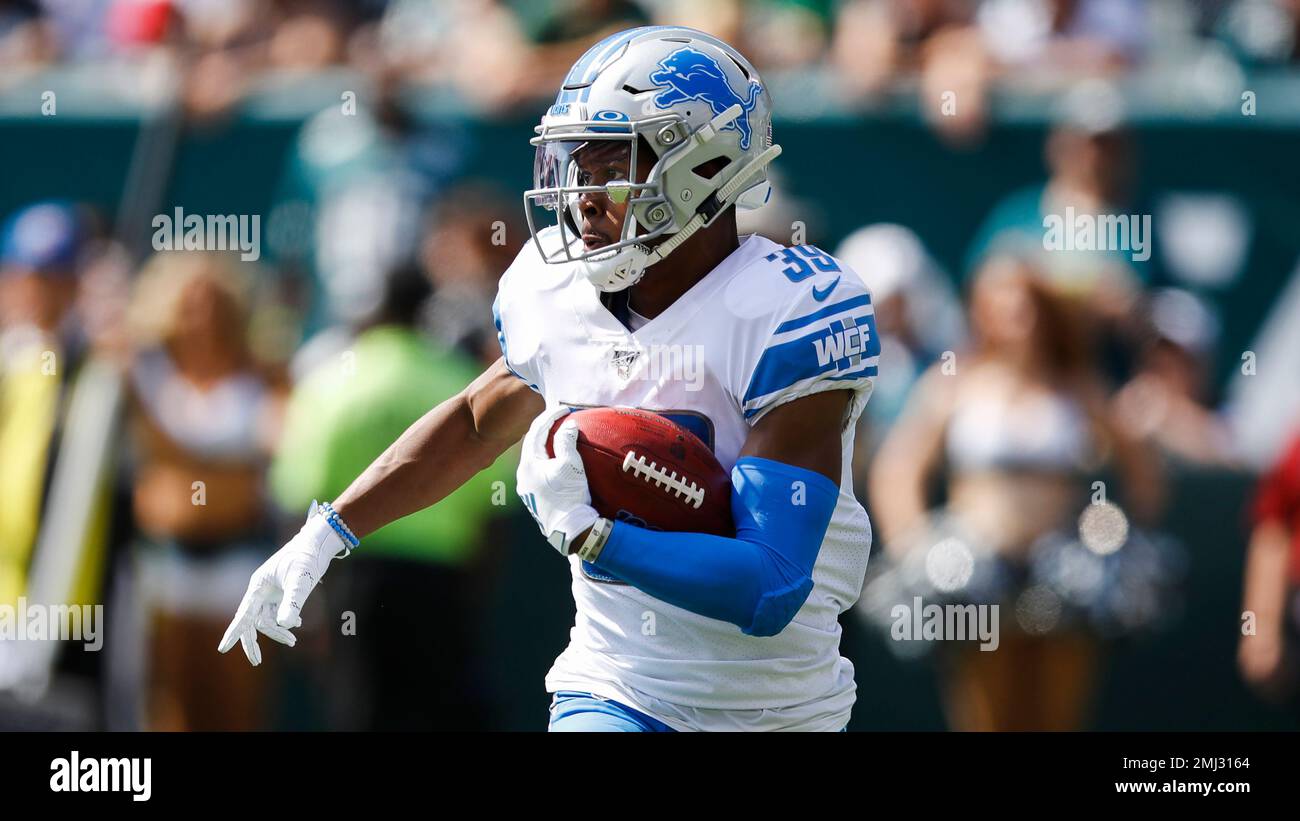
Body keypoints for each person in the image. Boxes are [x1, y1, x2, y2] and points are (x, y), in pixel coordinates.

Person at [220, 26, 880, 732]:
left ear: (704, 165)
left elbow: (770, 584)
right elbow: (477, 420)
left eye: (611, 167)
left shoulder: (787, 310)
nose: (583, 196)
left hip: (780, 706)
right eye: (575, 166)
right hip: (616, 685)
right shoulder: (553, 290)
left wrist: (597, 539)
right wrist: (329, 530)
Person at [869, 252, 1163, 731]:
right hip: (976, 573)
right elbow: (898, 468)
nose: (1014, 312)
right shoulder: (954, 382)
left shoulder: (1078, 385)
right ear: (979, 309)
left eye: (1025, 299)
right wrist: (914, 545)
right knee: (985, 718)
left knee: (1059, 717)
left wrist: (1129, 534)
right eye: (1000, 299)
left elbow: (1141, 466)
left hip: (1065, 577)